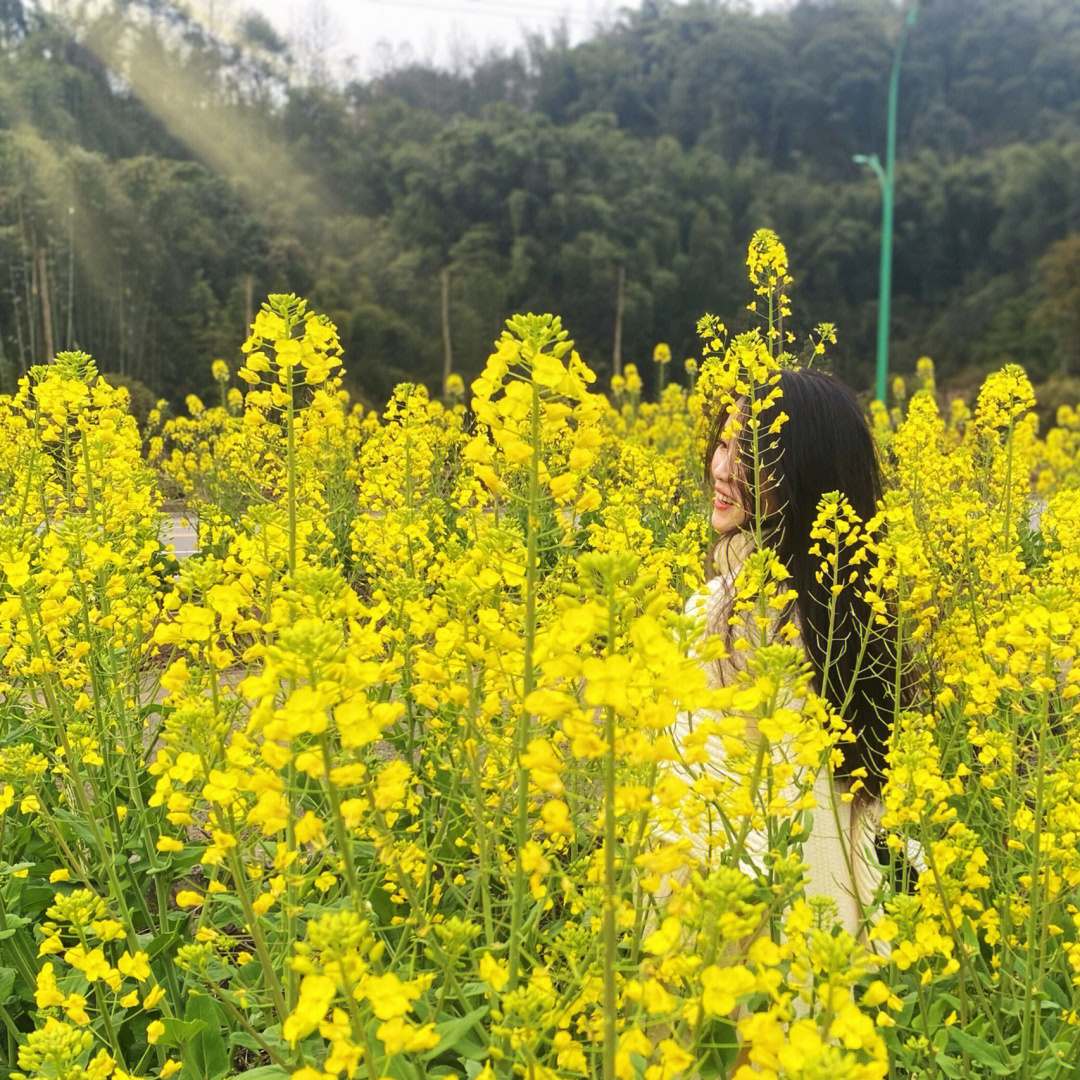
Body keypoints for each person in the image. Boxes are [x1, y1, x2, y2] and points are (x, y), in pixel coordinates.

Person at [669, 367, 901, 943]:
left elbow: (699, 796)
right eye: (722, 444)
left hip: (738, 928)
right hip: (822, 931)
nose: (721, 469)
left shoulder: (740, 611)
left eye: (745, 454)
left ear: (800, 473)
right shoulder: (846, 613)